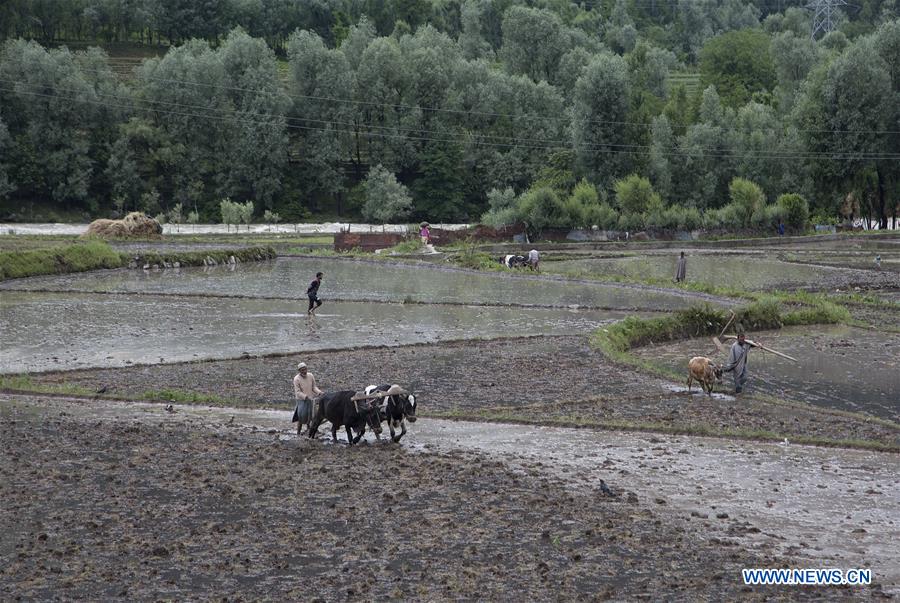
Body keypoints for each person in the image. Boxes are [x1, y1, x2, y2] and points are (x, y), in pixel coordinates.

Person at [292, 362, 323, 435]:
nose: (304, 371)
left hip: (311, 399)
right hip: (302, 400)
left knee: (312, 415)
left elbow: (314, 387)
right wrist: (305, 396)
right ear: (299, 371)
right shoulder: (296, 379)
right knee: (301, 417)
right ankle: (298, 433)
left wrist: (319, 392)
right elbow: (298, 392)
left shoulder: (310, 375)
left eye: (305, 369)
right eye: (302, 370)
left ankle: (310, 430)